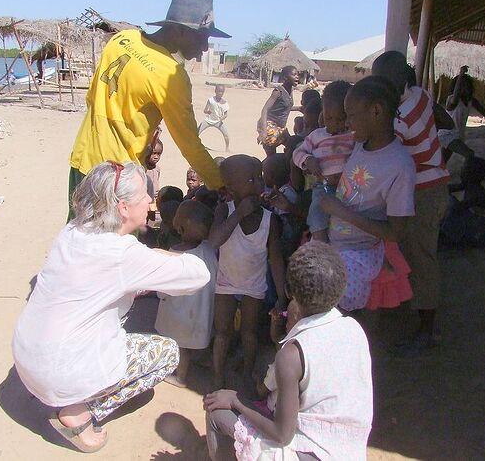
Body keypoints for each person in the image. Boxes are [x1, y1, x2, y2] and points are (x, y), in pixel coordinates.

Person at [12, 162, 210, 453]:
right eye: (144, 195)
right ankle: (77, 415)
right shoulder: (122, 254)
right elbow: (198, 274)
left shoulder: (73, 230)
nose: (150, 202)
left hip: (27, 357)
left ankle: (65, 395)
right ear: (123, 207)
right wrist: (159, 254)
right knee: (167, 353)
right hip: (57, 370)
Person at [67, 0, 230, 219]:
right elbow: (189, 143)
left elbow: (92, 97)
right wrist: (220, 183)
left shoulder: (122, 39)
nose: (205, 46)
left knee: (77, 238)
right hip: (116, 179)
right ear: (180, 29)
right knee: (114, 249)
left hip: (82, 160)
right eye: (202, 36)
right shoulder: (171, 75)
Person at [204, 242, 373, 461]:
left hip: (308, 453)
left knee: (216, 413)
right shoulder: (354, 329)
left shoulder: (291, 355)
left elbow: (282, 435)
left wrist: (235, 399)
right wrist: (280, 341)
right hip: (348, 450)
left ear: (288, 291)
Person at [372, 51, 449, 352]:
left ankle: (427, 330)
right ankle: (413, 310)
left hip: (424, 192)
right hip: (434, 184)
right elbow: (441, 119)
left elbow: (383, 152)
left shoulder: (401, 118)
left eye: (384, 81)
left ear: (399, 80)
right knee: (413, 253)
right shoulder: (419, 95)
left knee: (421, 258)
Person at [320, 76, 416, 312]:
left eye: (351, 115)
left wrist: (341, 211)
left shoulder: (399, 165)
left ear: (376, 111)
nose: (348, 123)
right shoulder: (359, 145)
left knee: (339, 308)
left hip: (361, 253)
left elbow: (395, 232)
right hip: (338, 244)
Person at [208, 155, 287, 397]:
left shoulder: (270, 219)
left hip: (254, 284)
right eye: (251, 179)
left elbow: (276, 259)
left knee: (249, 332)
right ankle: (218, 375)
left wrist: (282, 296)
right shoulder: (224, 210)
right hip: (226, 282)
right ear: (231, 188)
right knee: (222, 332)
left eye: (260, 178)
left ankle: (247, 372)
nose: (258, 184)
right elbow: (214, 241)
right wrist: (238, 214)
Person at [155, 200, 218, 388]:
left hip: (180, 314)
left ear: (180, 227)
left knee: (182, 347)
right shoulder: (209, 250)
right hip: (203, 312)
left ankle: (181, 377)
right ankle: (207, 361)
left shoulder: (175, 255)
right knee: (197, 341)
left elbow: (163, 289)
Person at [293, 80, 355, 242]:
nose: (334, 123)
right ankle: (320, 244)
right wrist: (308, 160)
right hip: (323, 186)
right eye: (329, 117)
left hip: (348, 188)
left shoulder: (354, 136)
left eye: (341, 118)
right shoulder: (317, 136)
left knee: (346, 219)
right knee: (316, 215)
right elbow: (298, 152)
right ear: (323, 112)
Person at [440, 156, 485, 247]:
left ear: (471, 175)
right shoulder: (470, 184)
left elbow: (458, 207)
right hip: (475, 223)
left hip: (482, 234)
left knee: (451, 207)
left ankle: (449, 239)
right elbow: (449, 189)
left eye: (464, 169)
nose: (461, 171)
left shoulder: (479, 193)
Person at [446, 65, 485, 139]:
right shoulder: (451, 99)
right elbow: (455, 97)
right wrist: (461, 75)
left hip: (459, 135)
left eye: (467, 86)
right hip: (448, 134)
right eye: (462, 86)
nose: (465, 88)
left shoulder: (470, 100)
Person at [257, 66, 300, 156]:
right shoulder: (278, 91)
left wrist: (299, 108)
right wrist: (264, 131)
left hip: (281, 127)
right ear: (285, 77)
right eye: (294, 74)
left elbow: (285, 106)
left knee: (292, 146)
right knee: (271, 152)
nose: (297, 76)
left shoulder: (290, 89)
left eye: (297, 74)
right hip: (269, 124)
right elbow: (265, 109)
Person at [198, 84, 230, 151]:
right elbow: (205, 110)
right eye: (219, 91)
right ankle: (193, 145)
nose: (220, 93)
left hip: (218, 121)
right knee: (197, 132)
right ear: (215, 91)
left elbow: (226, 114)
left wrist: (222, 118)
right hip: (208, 120)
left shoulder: (225, 103)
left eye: (222, 92)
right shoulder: (211, 100)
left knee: (226, 135)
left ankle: (227, 148)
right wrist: (207, 111)